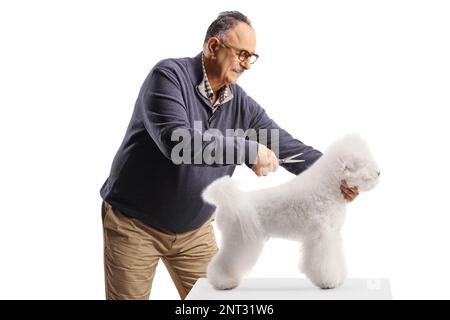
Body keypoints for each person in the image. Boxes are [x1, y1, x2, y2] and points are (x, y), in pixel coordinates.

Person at [100, 11, 359, 300]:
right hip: (135, 227)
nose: (247, 65)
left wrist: (337, 175)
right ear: (213, 47)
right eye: (242, 54)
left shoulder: (241, 106)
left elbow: (287, 148)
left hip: (194, 233)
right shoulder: (168, 77)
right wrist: (248, 150)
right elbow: (179, 143)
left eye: (252, 57)